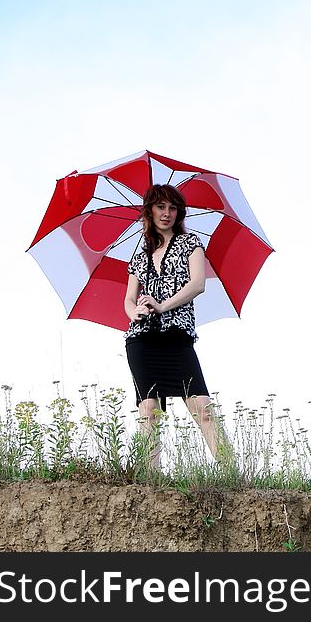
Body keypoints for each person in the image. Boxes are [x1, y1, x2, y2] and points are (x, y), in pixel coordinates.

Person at [123, 184, 228, 471]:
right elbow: (129, 298)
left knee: (203, 408)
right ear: (150, 210)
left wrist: (162, 305)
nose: (166, 213)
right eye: (160, 207)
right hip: (142, 340)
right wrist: (136, 312)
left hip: (177, 336)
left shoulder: (190, 243)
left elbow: (197, 284)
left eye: (172, 208)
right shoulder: (139, 254)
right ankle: (151, 477)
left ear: (179, 212)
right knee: (149, 410)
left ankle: (230, 471)